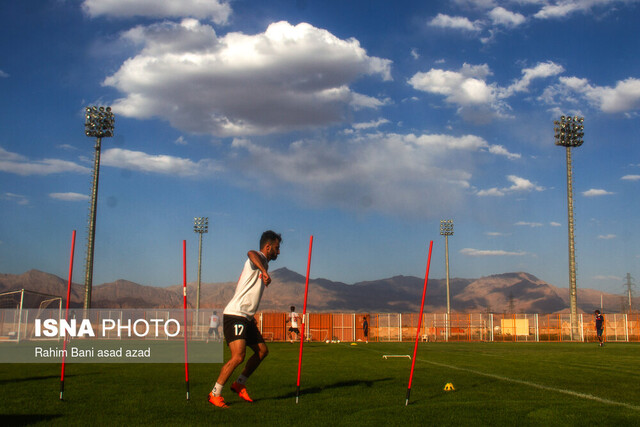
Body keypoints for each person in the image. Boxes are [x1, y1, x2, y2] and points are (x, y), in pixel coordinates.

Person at [208, 230, 282, 409]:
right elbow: (250, 253)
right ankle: (215, 393)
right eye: (277, 248)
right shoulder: (257, 258)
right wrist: (263, 271)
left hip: (246, 318)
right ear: (268, 246)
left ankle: (239, 384)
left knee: (262, 351)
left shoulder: (264, 263)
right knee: (238, 356)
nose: (278, 252)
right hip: (235, 315)